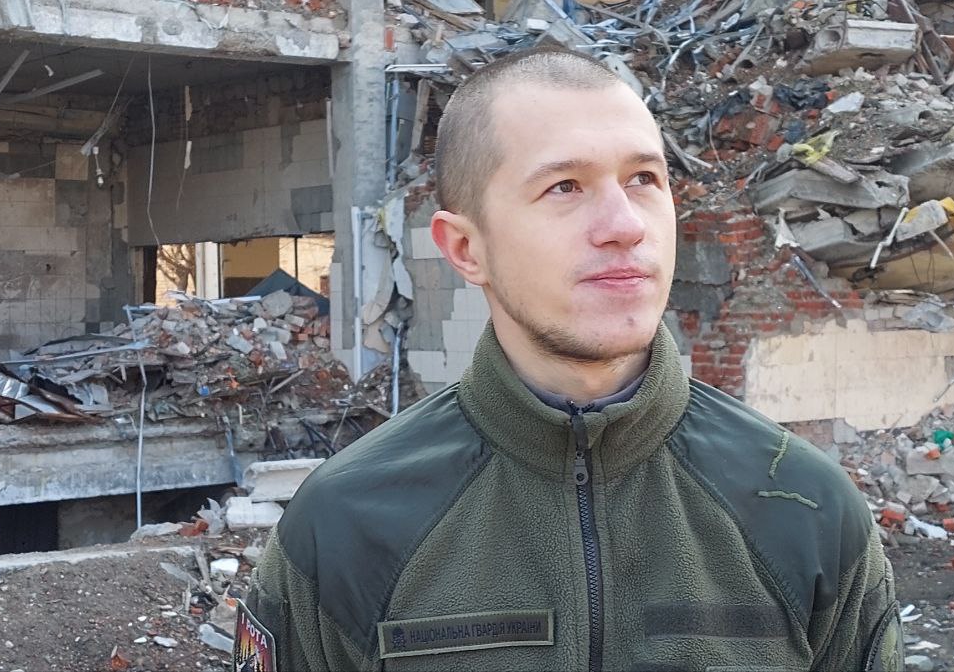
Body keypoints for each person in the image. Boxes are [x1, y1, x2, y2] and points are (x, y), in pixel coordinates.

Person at [239, 46, 902, 672]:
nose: (626, 224)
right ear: (466, 249)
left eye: (644, 179)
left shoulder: (806, 508)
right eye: (564, 186)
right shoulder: (342, 524)